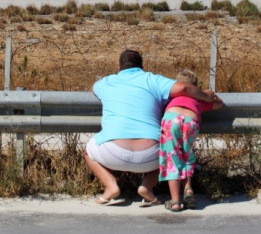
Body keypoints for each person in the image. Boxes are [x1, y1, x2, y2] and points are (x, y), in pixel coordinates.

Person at [84, 49, 220, 206]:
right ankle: (147, 186)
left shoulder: (106, 82)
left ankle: (110, 186)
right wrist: (206, 96)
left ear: (118, 67)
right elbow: (183, 88)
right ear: (142, 66)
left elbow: (93, 88)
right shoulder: (153, 80)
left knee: (87, 151)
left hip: (113, 153)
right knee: (168, 152)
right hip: (151, 156)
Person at [159, 69, 224, 211]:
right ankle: (188, 189)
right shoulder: (199, 99)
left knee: (172, 157)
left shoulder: (171, 97)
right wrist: (209, 95)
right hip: (191, 121)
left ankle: (175, 201)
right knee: (187, 156)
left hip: (172, 119)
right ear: (195, 86)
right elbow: (219, 104)